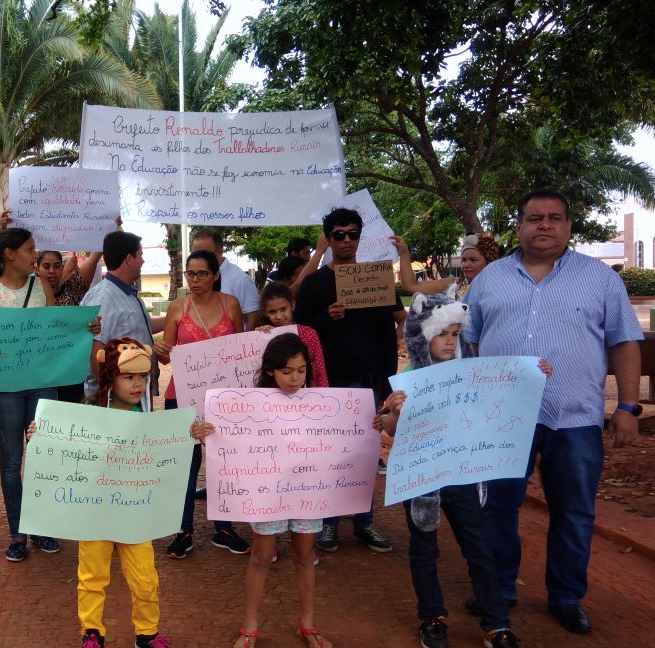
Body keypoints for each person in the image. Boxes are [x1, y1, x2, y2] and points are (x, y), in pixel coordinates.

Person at [462, 189, 643, 635]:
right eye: (534, 217)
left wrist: (627, 407)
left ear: (568, 225)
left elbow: (624, 342)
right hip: (503, 418)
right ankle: (499, 588)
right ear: (518, 225)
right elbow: (472, 342)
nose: (545, 225)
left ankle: (566, 596)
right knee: (498, 507)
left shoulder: (600, 278)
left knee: (574, 510)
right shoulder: (490, 279)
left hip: (575, 416)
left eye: (555, 218)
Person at [374, 289, 545, 648]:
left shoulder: (475, 374)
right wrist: (390, 412)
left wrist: (534, 374)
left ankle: (496, 623)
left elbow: (505, 399)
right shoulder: (410, 378)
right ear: (423, 336)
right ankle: (432, 617)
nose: (450, 341)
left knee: (480, 548)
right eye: (442, 334)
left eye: (455, 334)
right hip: (423, 481)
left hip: (464, 476)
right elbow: (391, 429)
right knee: (425, 551)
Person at [190, 333, 332, 648]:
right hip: (268, 494)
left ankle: (308, 624)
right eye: (287, 371)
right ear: (270, 370)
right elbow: (230, 438)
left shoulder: (321, 405)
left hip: (307, 492)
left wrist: (373, 424)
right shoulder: (249, 405)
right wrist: (206, 434)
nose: (295, 378)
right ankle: (249, 625)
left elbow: (342, 436)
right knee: (262, 555)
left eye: (301, 370)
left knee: (305, 554)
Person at [28, 338, 171, 648]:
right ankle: (92, 632)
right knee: (92, 578)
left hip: (135, 515)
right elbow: (64, 447)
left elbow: (168, 454)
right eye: (129, 376)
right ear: (111, 377)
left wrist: (193, 434)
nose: (138, 384)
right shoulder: (86, 415)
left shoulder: (151, 423)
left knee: (146, 579)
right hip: (94, 513)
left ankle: (147, 634)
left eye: (143, 377)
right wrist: (42, 435)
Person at [295, 207, 400, 553]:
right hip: (330, 384)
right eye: (338, 234)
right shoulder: (314, 284)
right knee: (331, 456)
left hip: (369, 382)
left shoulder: (377, 278)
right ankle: (328, 525)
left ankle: (364, 523)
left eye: (353, 233)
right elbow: (300, 332)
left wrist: (386, 380)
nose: (347, 240)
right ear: (328, 237)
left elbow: (391, 325)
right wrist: (326, 317)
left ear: (360, 236)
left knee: (366, 455)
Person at [0, 227, 67, 562]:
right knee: (12, 461)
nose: (35, 255)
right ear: (10, 254)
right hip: (4, 390)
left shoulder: (41, 286)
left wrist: (85, 329)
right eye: (30, 249)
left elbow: (58, 330)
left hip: (43, 382)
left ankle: (42, 527)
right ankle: (18, 533)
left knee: (45, 455)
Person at [155, 250, 246, 558]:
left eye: (201, 274)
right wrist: (160, 349)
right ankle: (184, 530)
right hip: (182, 395)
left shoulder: (229, 305)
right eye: (190, 274)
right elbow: (167, 355)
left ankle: (224, 528)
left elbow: (243, 350)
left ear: (215, 275)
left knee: (224, 462)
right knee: (186, 465)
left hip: (224, 397)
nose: (194, 280)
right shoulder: (177, 307)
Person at [80, 231, 167, 405]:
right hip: (116, 402)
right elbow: (96, 351)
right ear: (129, 258)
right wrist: (113, 394)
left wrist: (178, 316)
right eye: (140, 255)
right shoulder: (105, 298)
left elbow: (145, 327)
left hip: (133, 395)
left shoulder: (128, 294)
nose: (143, 261)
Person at [38, 249, 104, 403]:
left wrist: (92, 327)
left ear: (63, 267)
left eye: (56, 266)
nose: (52, 271)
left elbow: (94, 257)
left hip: (70, 373)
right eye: (46, 266)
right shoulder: (28, 295)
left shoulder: (73, 288)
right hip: (40, 375)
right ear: (37, 269)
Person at [391, 233, 501, 299]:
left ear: (489, 262)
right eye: (464, 259)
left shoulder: (500, 289)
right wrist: (404, 253)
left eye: (473, 260)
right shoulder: (454, 285)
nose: (466, 264)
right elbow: (411, 287)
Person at [191, 229, 260, 329]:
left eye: (204, 254)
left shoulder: (240, 280)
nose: (198, 259)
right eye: (195, 254)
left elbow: (252, 320)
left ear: (220, 251)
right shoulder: (195, 278)